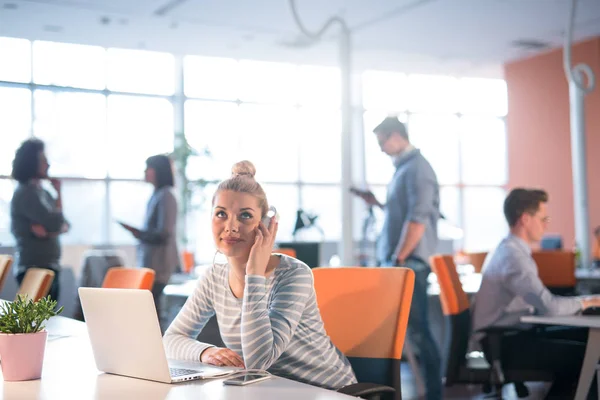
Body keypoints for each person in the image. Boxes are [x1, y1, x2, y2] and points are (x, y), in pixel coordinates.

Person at [163, 160, 357, 390]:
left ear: (265, 224)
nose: (231, 226)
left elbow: (258, 361)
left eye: (245, 216)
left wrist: (253, 273)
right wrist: (206, 352)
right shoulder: (214, 277)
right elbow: (171, 339)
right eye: (221, 214)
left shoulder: (294, 275)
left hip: (327, 391)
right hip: (270, 390)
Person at [472, 188, 600, 397]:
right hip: (503, 344)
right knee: (589, 358)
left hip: (510, 335)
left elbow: (540, 302)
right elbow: (548, 306)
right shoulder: (514, 258)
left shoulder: (510, 250)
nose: (546, 224)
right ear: (525, 219)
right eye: (543, 218)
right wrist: (587, 302)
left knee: (587, 339)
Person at [351, 116, 442, 400]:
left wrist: (398, 260)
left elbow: (418, 219)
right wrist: (376, 204)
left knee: (417, 333)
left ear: (396, 136)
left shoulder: (418, 169)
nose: (380, 149)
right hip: (400, 263)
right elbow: (402, 213)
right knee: (401, 334)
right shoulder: (403, 169)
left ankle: (434, 394)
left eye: (382, 142)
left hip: (407, 264)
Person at [119, 154, 180, 323]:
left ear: (157, 171)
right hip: (152, 263)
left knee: (151, 311)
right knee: (149, 309)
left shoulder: (166, 195)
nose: (145, 172)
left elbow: (164, 233)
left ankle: (156, 346)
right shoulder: (157, 195)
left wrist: (138, 233)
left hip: (159, 265)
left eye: (148, 168)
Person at [10, 138, 69, 302]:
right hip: (34, 267)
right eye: (43, 160)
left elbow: (65, 224)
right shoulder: (27, 193)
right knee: (40, 322)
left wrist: (51, 231)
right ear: (32, 162)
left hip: (49, 265)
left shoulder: (42, 192)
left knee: (48, 320)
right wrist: (56, 225)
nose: (48, 164)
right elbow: (58, 223)